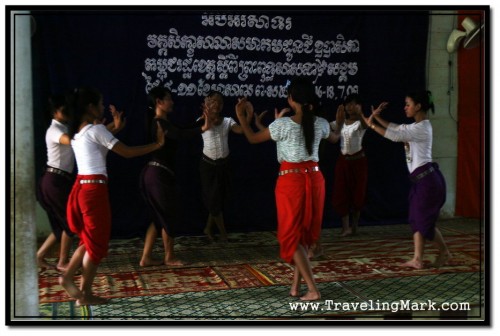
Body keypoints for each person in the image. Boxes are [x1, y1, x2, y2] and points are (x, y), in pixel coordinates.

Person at [235, 77, 340, 301]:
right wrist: (338, 122)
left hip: (292, 182)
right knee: (300, 236)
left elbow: (253, 138)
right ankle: (295, 287)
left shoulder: (283, 124)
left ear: (291, 99)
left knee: (290, 237)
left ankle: (313, 289)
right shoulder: (320, 123)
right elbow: (335, 138)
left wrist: (242, 118)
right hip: (314, 179)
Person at [59, 86, 165, 305]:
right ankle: (84, 294)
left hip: (84, 188)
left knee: (89, 241)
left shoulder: (80, 130)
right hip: (92, 191)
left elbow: (98, 141)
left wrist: (113, 128)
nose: (102, 107)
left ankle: (69, 276)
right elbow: (126, 152)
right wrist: (157, 144)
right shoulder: (95, 130)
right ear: (90, 107)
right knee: (96, 244)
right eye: (99, 104)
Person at [366, 90, 450, 269]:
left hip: (428, 181)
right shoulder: (416, 127)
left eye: (408, 104)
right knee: (417, 219)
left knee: (423, 220)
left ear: (418, 106)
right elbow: (397, 128)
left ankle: (443, 252)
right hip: (422, 181)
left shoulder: (422, 128)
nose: (405, 108)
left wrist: (371, 125)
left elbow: (395, 135)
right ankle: (418, 258)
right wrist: (376, 118)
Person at [139, 87, 210, 267]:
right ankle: (169, 257)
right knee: (167, 216)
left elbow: (182, 129)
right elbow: (181, 134)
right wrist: (203, 128)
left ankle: (146, 257)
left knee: (158, 218)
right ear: (159, 102)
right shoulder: (158, 123)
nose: (172, 102)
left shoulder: (164, 122)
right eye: (168, 99)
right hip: (157, 175)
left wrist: (202, 120)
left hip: (156, 174)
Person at [330, 94, 388, 236]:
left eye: (354, 104)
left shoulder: (363, 122)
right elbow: (329, 130)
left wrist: (362, 114)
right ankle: (345, 227)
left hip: (358, 162)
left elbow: (365, 124)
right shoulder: (340, 121)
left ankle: (355, 226)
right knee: (341, 193)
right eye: (348, 104)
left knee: (358, 194)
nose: (350, 107)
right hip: (343, 162)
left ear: (360, 106)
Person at [36, 94, 75, 271]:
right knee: (69, 223)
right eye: (63, 109)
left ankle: (39, 256)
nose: (67, 112)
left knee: (61, 224)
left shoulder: (65, 127)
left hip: (58, 180)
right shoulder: (54, 130)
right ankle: (63, 262)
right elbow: (70, 141)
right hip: (54, 181)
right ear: (54, 112)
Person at [199, 91, 244, 243]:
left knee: (219, 199)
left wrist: (245, 116)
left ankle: (207, 228)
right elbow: (198, 129)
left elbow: (241, 130)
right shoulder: (201, 121)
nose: (216, 104)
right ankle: (224, 234)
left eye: (219, 102)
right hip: (208, 165)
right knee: (213, 199)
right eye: (213, 101)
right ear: (207, 104)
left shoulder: (228, 121)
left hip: (224, 164)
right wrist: (207, 118)